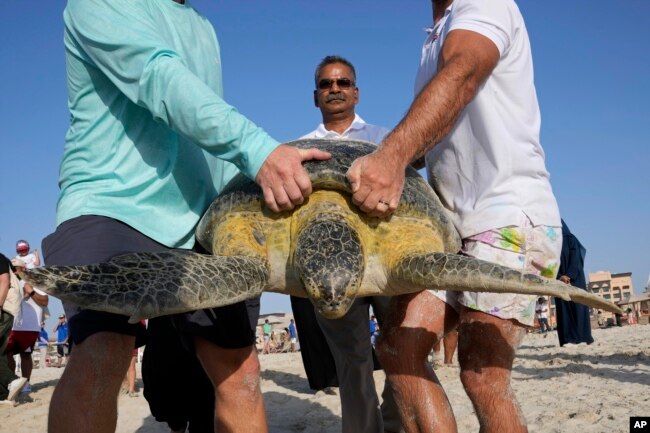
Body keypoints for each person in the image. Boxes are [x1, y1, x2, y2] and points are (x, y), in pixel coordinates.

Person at [43, 1, 330, 432]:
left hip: (197, 215)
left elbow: (201, 124)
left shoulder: (202, 26)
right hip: (110, 201)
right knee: (103, 350)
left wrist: (232, 206)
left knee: (241, 371)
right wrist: (260, 152)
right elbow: (160, 80)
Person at [347, 1, 563, 432]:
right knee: (397, 348)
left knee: (483, 375)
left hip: (505, 213)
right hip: (449, 227)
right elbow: (434, 134)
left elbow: (464, 72)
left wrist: (391, 156)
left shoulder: (486, 6)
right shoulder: (435, 33)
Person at [298, 55, 402, 433]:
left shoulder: (386, 140)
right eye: (326, 84)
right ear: (316, 97)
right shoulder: (300, 150)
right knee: (351, 361)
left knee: (400, 351)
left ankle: (397, 424)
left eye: (342, 82)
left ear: (356, 92)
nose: (335, 89)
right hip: (332, 269)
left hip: (387, 259)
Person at [5, 258, 49, 395]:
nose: (12, 270)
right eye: (11, 268)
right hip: (12, 326)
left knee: (25, 355)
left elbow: (45, 301)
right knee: (7, 354)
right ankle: (11, 382)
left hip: (29, 327)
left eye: (15, 268)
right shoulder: (9, 282)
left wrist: (31, 292)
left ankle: (26, 384)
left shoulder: (35, 281)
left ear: (23, 268)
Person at [555, 220, 594, 346]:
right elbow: (549, 264)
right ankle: (568, 338)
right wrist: (559, 277)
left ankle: (583, 337)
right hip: (559, 281)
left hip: (575, 278)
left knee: (578, 306)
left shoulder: (570, 239)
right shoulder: (551, 243)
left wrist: (569, 275)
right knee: (563, 308)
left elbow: (576, 258)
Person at [289, 296, 338, 394]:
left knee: (325, 332)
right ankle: (321, 382)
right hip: (301, 294)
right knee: (309, 331)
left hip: (318, 293)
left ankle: (331, 379)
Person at [0, 253, 29, 403]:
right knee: (1, 353)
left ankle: (12, 380)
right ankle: (4, 395)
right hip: (7, 311)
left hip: (3, 310)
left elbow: (4, 282)